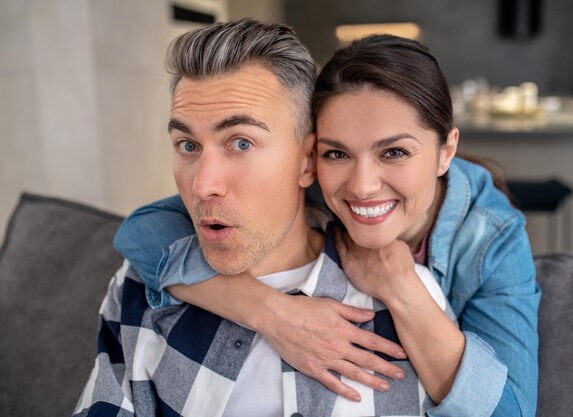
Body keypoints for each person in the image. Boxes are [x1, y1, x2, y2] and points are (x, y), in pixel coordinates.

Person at [111, 22, 541, 417]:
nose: (363, 186)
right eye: (337, 153)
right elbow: (141, 232)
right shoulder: (308, 183)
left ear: (446, 151)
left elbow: (511, 411)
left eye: (394, 152)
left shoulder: (492, 237)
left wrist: (401, 286)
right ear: (311, 157)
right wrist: (273, 313)